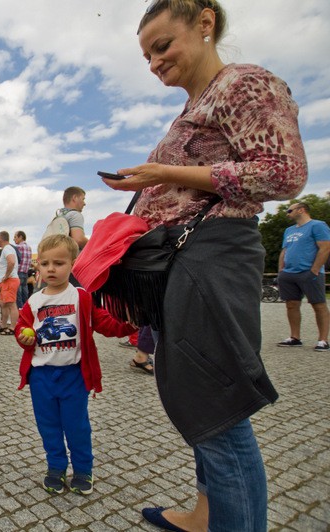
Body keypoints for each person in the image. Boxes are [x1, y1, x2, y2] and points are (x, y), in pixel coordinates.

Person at [103, 1, 308, 529]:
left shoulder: (243, 83)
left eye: (162, 46)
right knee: (195, 396)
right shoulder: (201, 101)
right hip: (192, 258)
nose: (154, 62)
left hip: (211, 254)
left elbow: (283, 174)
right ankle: (206, 511)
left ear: (204, 22)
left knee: (216, 405)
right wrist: (150, 184)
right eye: (147, 55)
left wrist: (162, 172)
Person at [15, 234, 135, 495]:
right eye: (45, 263)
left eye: (58, 263)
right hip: (41, 376)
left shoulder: (81, 296)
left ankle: (83, 470)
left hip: (73, 375)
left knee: (77, 425)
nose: (50, 269)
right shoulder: (33, 302)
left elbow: (105, 323)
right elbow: (22, 329)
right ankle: (56, 467)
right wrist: (25, 336)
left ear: (73, 264)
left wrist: (128, 323)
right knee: (48, 426)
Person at [276, 202, 330, 351]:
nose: (287, 213)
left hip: (309, 272)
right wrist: (281, 270)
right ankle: (295, 337)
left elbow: (325, 247)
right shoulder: (289, 230)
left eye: (289, 210)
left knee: (318, 305)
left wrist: (315, 269)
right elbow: (285, 250)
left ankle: (323, 340)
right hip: (289, 273)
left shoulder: (317, 225)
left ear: (301, 210)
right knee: (291, 305)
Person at [0, 231, 20, 335]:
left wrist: (6, 275)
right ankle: (4, 325)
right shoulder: (8, 249)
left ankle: (13, 327)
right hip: (6, 281)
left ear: (0, 239)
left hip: (9, 280)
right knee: (4, 304)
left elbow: (12, 261)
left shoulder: (7, 249)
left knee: (11, 304)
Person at [14, 231, 32, 308]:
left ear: (20, 237)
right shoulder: (29, 247)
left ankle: (20, 312)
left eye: (15, 237)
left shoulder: (18, 247)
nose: (14, 239)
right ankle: (27, 310)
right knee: (25, 293)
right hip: (25, 273)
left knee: (18, 295)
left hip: (19, 272)